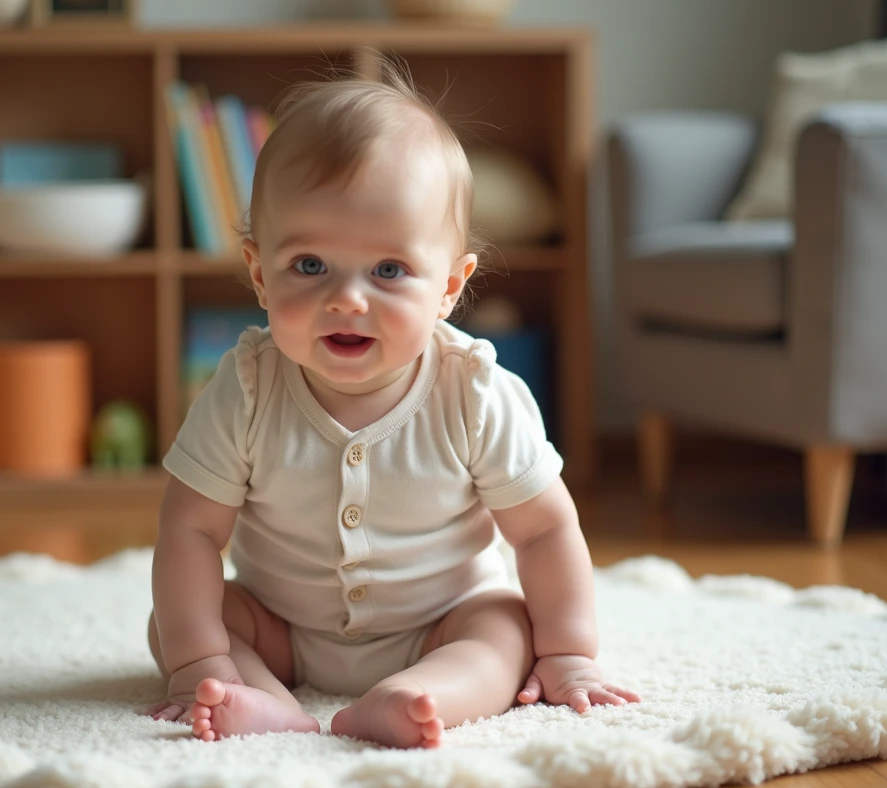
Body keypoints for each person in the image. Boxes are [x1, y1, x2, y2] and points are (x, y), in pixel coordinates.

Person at [145, 55, 639, 749]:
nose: (347, 298)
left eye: (388, 270)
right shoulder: (247, 386)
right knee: (182, 622)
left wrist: (568, 653)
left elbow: (543, 531)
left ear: (449, 286)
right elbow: (190, 530)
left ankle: (416, 696)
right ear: (260, 273)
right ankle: (253, 696)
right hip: (285, 626)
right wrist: (197, 660)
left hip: (442, 620)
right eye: (309, 265)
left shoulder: (472, 391)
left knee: (505, 630)